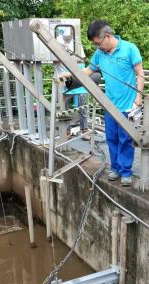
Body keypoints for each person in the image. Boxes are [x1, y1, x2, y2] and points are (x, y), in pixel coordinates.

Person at [60, 20, 144, 186]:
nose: (97, 47)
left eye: (98, 43)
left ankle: (126, 171)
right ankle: (116, 168)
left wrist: (139, 96)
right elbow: (87, 71)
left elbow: (140, 72)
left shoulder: (129, 48)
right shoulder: (99, 54)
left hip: (128, 105)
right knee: (111, 138)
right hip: (109, 105)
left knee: (125, 139)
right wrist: (69, 75)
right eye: (95, 44)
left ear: (108, 36)